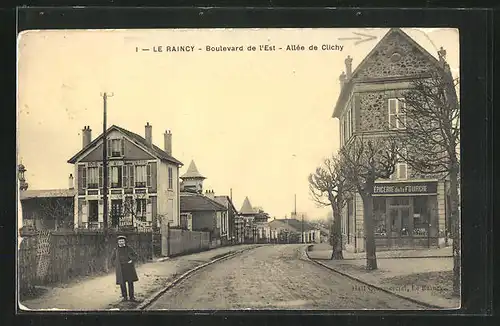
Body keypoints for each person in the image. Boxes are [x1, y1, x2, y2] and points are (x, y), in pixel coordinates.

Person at [111, 235, 139, 302]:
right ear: (118, 242)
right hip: (121, 269)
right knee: (122, 283)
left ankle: (132, 297)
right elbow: (112, 259)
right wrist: (116, 264)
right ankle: (125, 297)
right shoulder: (116, 250)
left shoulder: (129, 248)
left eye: (122, 241)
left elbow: (135, 256)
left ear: (125, 241)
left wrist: (131, 260)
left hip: (129, 268)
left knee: (130, 283)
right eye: (120, 241)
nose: (121, 242)